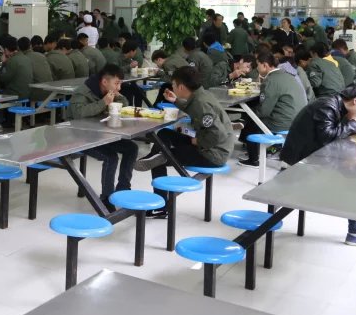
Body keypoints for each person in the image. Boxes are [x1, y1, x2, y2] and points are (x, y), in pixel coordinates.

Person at [280, 85, 356, 248]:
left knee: (355, 176)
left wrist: (352, 124)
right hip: (301, 162)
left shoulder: (336, 106)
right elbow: (328, 137)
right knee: (354, 184)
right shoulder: (327, 106)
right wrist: (354, 123)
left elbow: (331, 135)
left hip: (311, 156)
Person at [136, 67, 235, 218]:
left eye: (174, 85)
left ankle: (160, 206)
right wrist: (175, 101)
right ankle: (154, 156)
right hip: (212, 145)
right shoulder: (201, 95)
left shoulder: (201, 103)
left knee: (159, 159)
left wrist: (197, 141)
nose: (173, 88)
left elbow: (218, 134)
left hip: (213, 154)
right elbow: (194, 109)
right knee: (164, 134)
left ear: (181, 87)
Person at [68, 64, 139, 209]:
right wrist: (103, 103)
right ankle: (106, 198)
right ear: (105, 81)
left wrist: (119, 97)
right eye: (117, 83)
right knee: (110, 157)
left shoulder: (109, 91)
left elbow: (124, 105)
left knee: (132, 148)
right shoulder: (82, 92)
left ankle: (123, 189)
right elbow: (78, 114)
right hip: (80, 137)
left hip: (100, 134)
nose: (119, 87)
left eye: (120, 84)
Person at [239, 52, 307, 167]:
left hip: (284, 122)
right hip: (298, 119)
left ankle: (253, 160)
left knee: (252, 122)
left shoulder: (270, 80)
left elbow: (264, 111)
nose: (256, 68)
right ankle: (254, 150)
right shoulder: (287, 75)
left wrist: (249, 113)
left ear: (265, 65)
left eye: (257, 65)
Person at [0, 36, 33, 103]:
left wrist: (4, 63)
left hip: (16, 96)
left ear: (6, 49)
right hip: (27, 95)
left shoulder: (12, 61)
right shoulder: (26, 58)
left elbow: (2, 79)